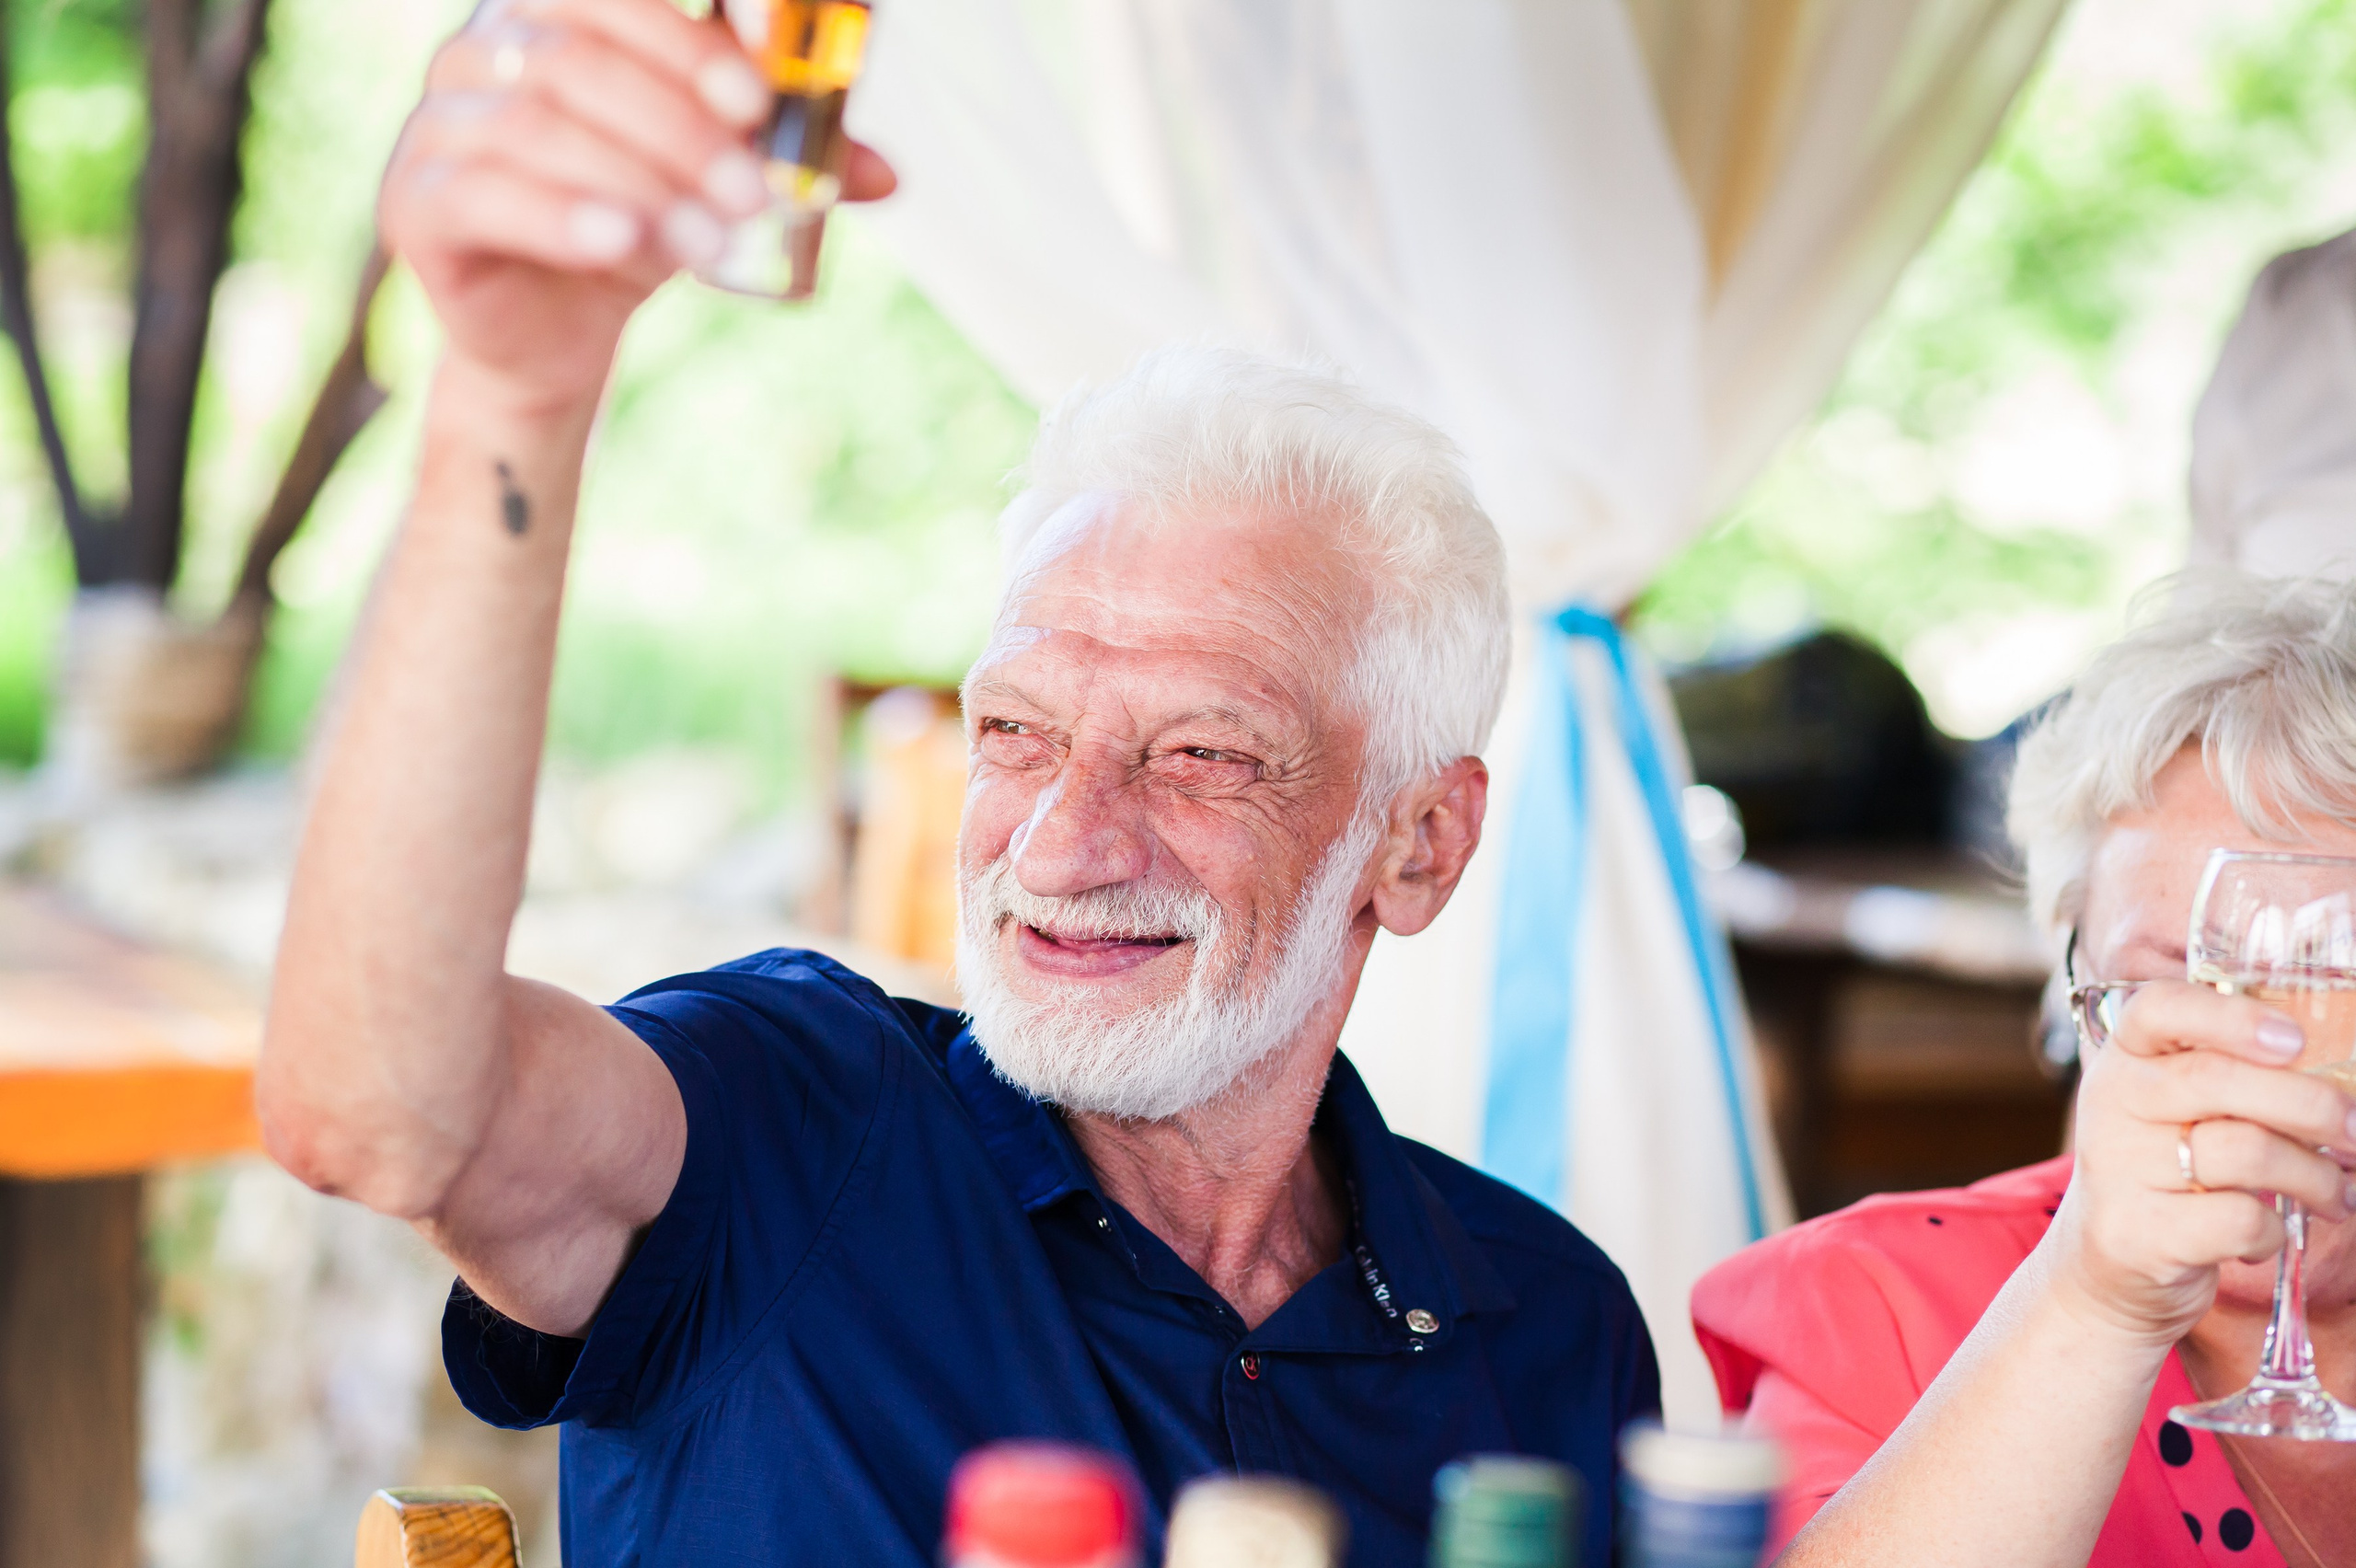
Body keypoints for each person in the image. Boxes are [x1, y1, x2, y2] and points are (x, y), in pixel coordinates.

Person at [255, 3, 1659, 1564]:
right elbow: (376, 1115)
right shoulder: (795, 1124)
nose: (1061, 847)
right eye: (1016, 734)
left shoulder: (1551, 1326)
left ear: (1421, 841)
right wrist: (514, 390)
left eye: (1199, 753)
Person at [1691, 573, 2356, 1568]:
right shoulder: (1881, 1303)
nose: (2261, 1069)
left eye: (2332, 981)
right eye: (2170, 993)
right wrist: (2095, 1307)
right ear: (2073, 1001)